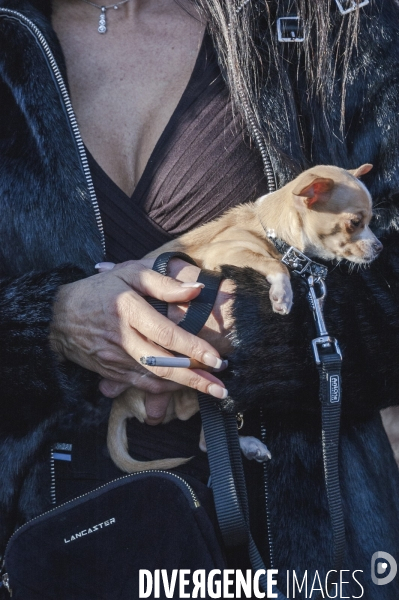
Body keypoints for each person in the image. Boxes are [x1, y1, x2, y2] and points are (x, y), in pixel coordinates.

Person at [0, 0, 398, 597]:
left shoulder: (326, 18)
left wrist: (250, 329)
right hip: (49, 546)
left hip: (303, 544)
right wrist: (47, 324)